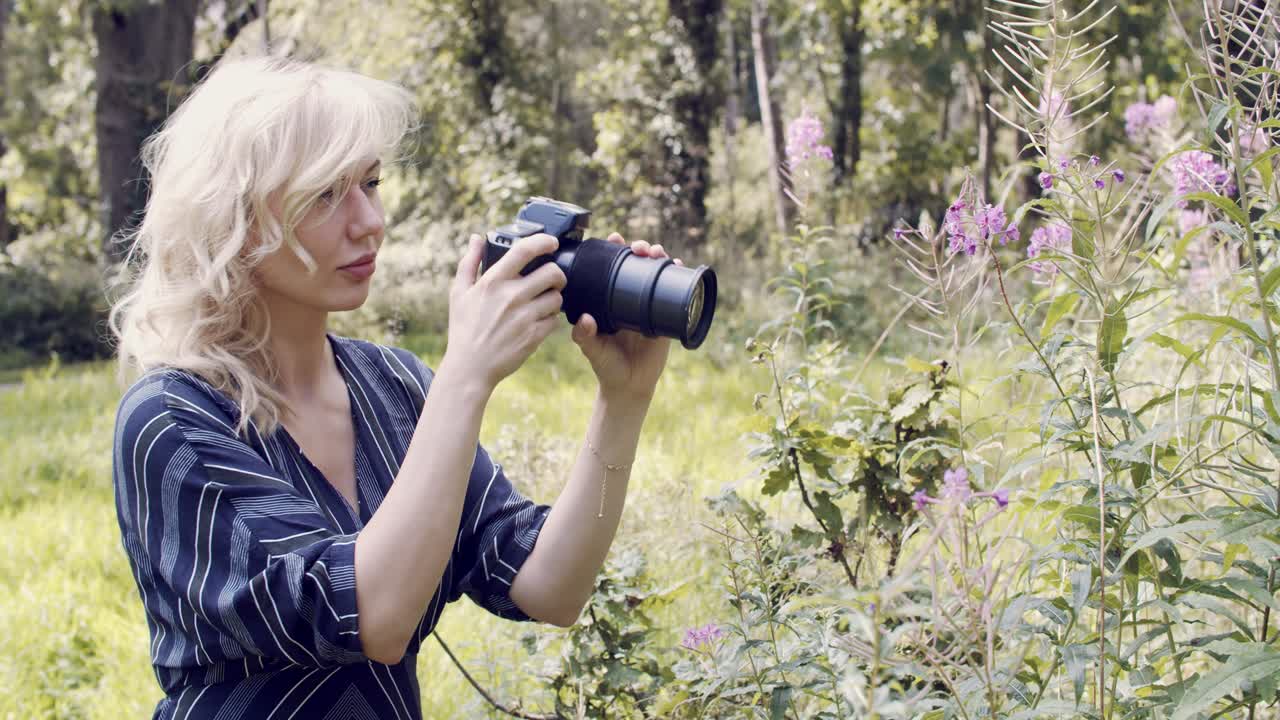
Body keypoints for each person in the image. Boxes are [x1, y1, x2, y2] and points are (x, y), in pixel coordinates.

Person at [109, 55, 676, 719]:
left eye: (371, 184)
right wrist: (466, 376)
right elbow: (371, 613)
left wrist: (623, 399)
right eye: (324, 194)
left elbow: (550, 587)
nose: (369, 221)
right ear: (230, 216)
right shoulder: (173, 419)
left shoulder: (393, 386)